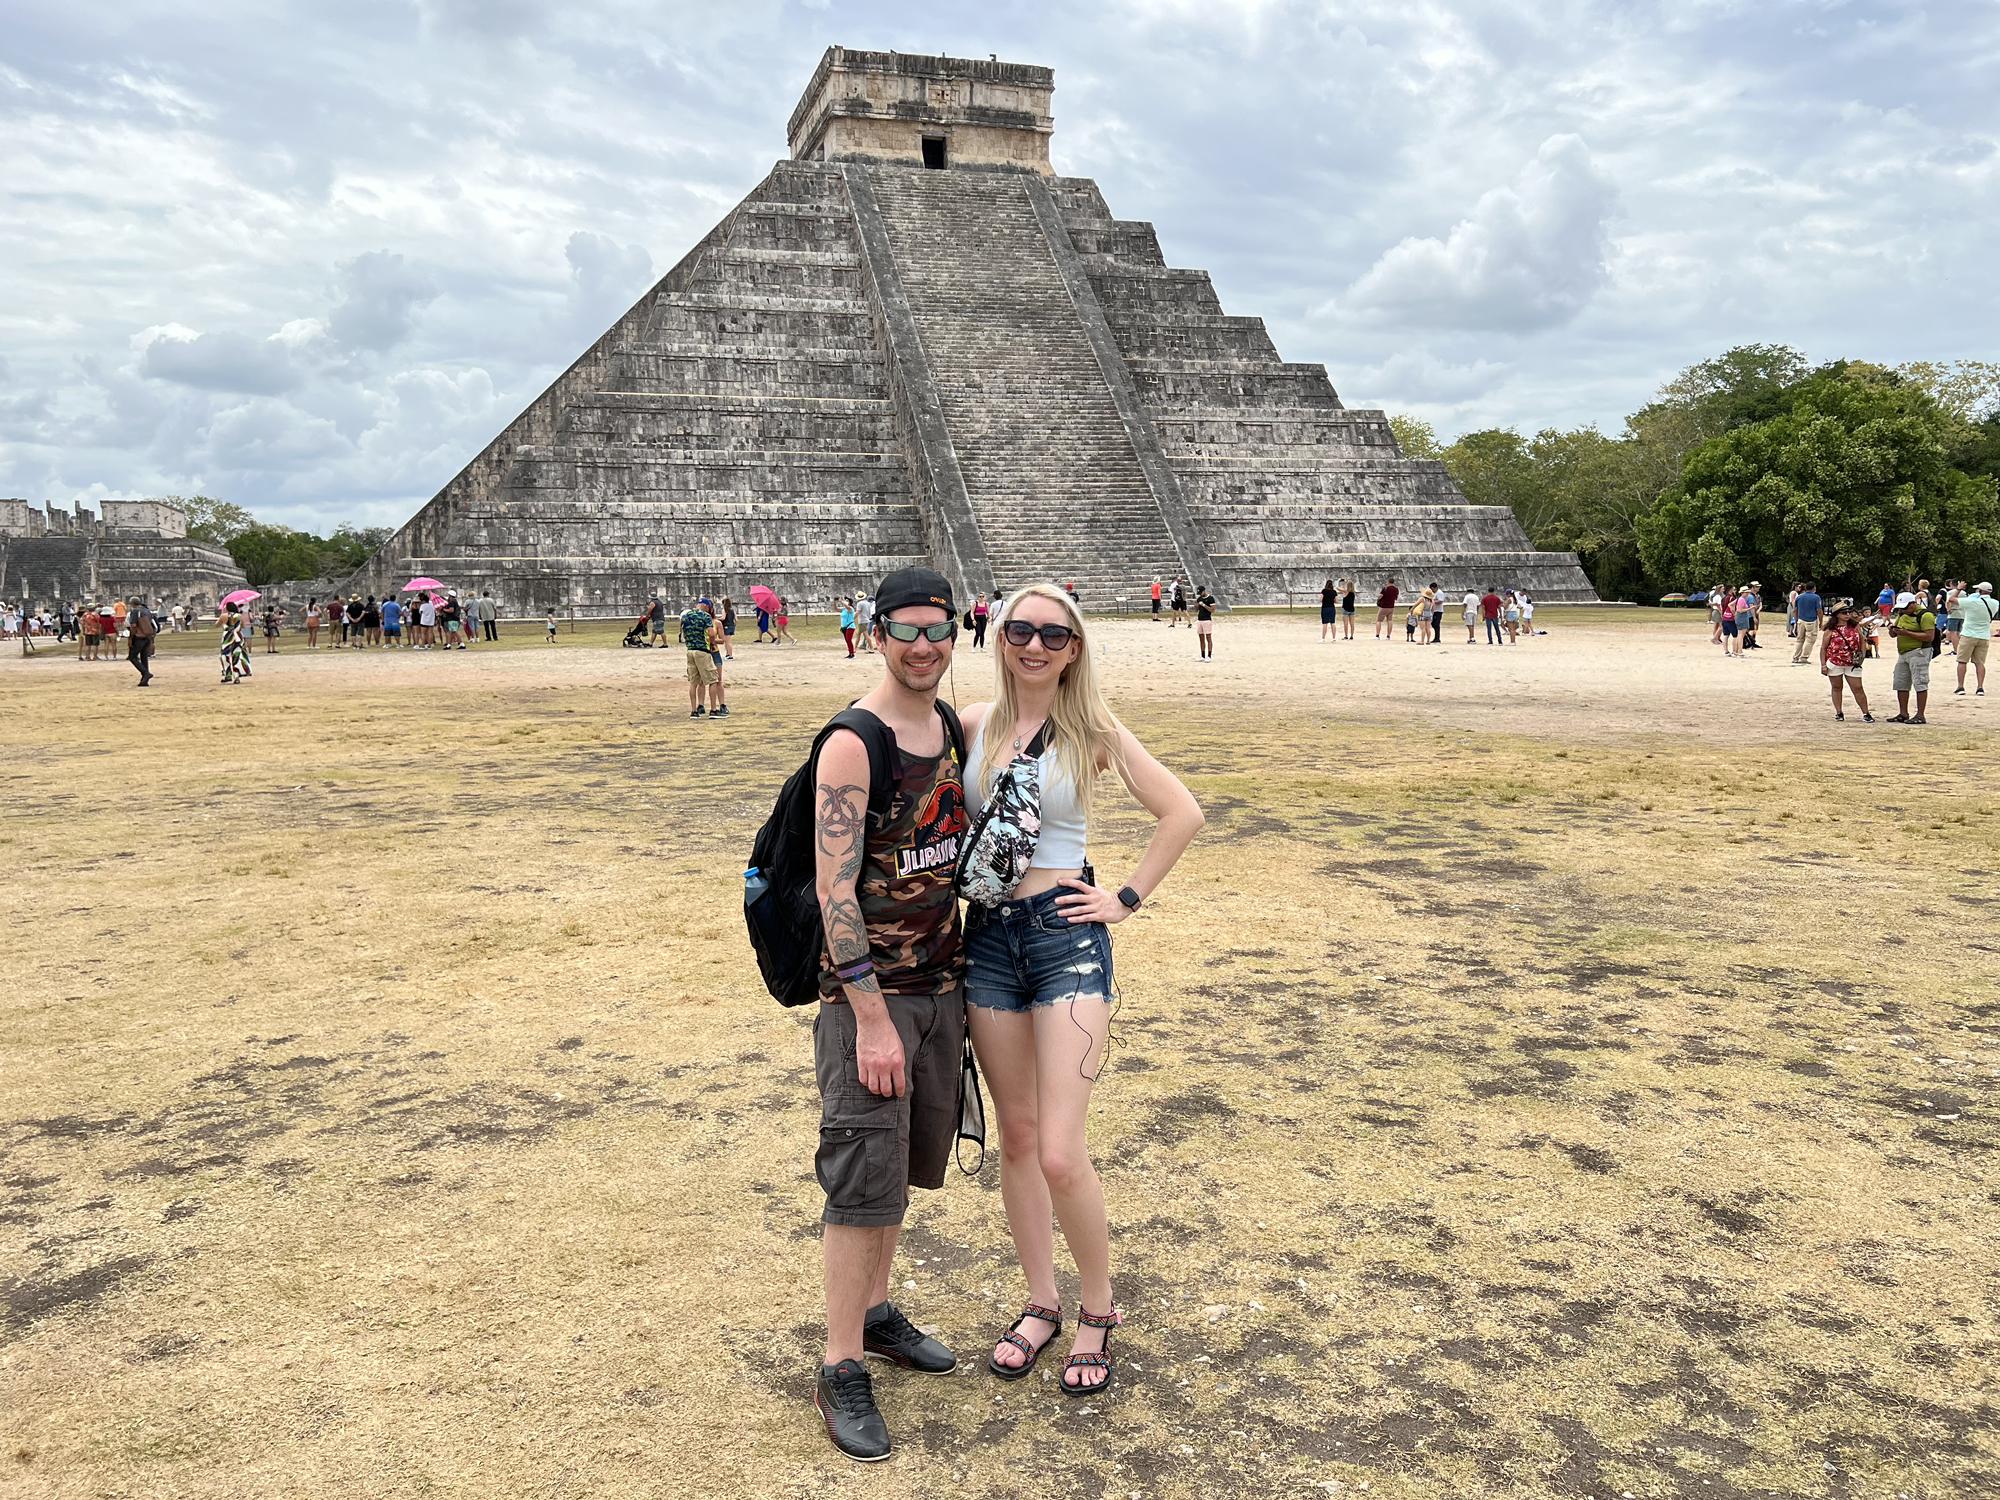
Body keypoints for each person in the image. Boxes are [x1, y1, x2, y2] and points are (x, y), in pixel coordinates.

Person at [960, 583, 1203, 1401]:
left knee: (1063, 1151)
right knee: (1019, 1141)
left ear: (1075, 648)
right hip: (989, 943)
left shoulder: (1092, 731)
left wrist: (1124, 898)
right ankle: (1040, 1303)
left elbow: (1182, 812)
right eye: (1020, 630)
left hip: (1066, 940)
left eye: (1053, 635)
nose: (1034, 645)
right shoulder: (972, 726)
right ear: (999, 637)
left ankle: (1097, 1311)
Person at [808, 566, 968, 1463]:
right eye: (905, 630)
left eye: (937, 630)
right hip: (874, 999)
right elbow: (835, 890)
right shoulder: (854, 741)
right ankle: (839, 1366)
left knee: (900, 1167)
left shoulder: (943, 722)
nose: (922, 645)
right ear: (876, 634)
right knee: (860, 1176)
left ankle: (873, 1314)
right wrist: (867, 1015)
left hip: (940, 988)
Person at [1887, 591, 1936, 724]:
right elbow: (1893, 635)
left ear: (1913, 604)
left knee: (1920, 682)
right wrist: (1893, 630)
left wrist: (1906, 633)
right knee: (1900, 682)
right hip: (1903, 653)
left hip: (1919, 651)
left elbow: (1929, 636)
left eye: (1905, 607)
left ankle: (1920, 715)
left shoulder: (1926, 615)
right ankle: (1903, 713)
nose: (1903, 610)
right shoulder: (1902, 614)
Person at [1819, 604, 1874, 722]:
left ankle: (1866, 713)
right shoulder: (1830, 629)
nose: (1848, 615)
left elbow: (1862, 641)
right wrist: (1823, 665)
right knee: (1837, 687)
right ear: (1837, 615)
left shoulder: (1855, 626)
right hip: (1835, 662)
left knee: (1858, 688)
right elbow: (1823, 647)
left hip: (1853, 663)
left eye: (1849, 612)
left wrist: (1862, 656)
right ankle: (1839, 712)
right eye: (1844, 613)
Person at [681, 595, 718, 719]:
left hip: (690, 650)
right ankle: (713, 710)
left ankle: (694, 711)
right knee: (713, 680)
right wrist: (712, 644)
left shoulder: (686, 615)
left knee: (693, 682)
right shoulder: (705, 616)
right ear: (706, 607)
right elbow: (711, 633)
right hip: (702, 650)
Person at [1954, 581, 1993, 697]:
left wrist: (1959, 589)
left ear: (1980, 591)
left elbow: (1951, 599)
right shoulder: (1995, 603)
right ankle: (1980, 687)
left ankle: (1961, 686)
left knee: (1962, 661)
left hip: (1968, 634)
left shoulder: (1972, 602)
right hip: (1984, 636)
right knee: (1980, 663)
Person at [126, 597, 158, 686]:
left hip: (139, 636)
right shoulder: (147, 611)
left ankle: (145, 673)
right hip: (148, 636)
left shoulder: (135, 611)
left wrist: (131, 637)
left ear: (132, 604)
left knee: (132, 657)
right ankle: (145, 680)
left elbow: (133, 625)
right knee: (144, 657)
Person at [1791, 581, 1823, 665]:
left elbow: (1795, 610)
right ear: (1814, 588)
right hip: (1811, 620)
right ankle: (1804, 657)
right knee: (1810, 639)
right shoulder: (1816, 597)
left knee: (1800, 639)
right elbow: (1819, 611)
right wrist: (1821, 621)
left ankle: (1796, 657)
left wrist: (1796, 619)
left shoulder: (1800, 597)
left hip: (1801, 620)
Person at [219, 602, 250, 685]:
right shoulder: (239, 616)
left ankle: (228, 675)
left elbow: (216, 625)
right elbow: (242, 626)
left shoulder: (223, 616)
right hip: (237, 637)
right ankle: (236, 676)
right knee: (236, 656)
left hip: (227, 637)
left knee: (225, 656)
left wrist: (223, 623)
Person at [1194, 584, 1216, 660]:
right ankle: (1202, 655)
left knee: (1208, 638)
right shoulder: (1199, 598)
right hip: (1200, 619)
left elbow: (1212, 610)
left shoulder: (1210, 598)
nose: (1200, 594)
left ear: (1204, 591)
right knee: (1201, 638)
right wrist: (1196, 605)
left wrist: (1203, 605)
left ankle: (1209, 656)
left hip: (1207, 619)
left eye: (1201, 593)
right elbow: (1196, 610)